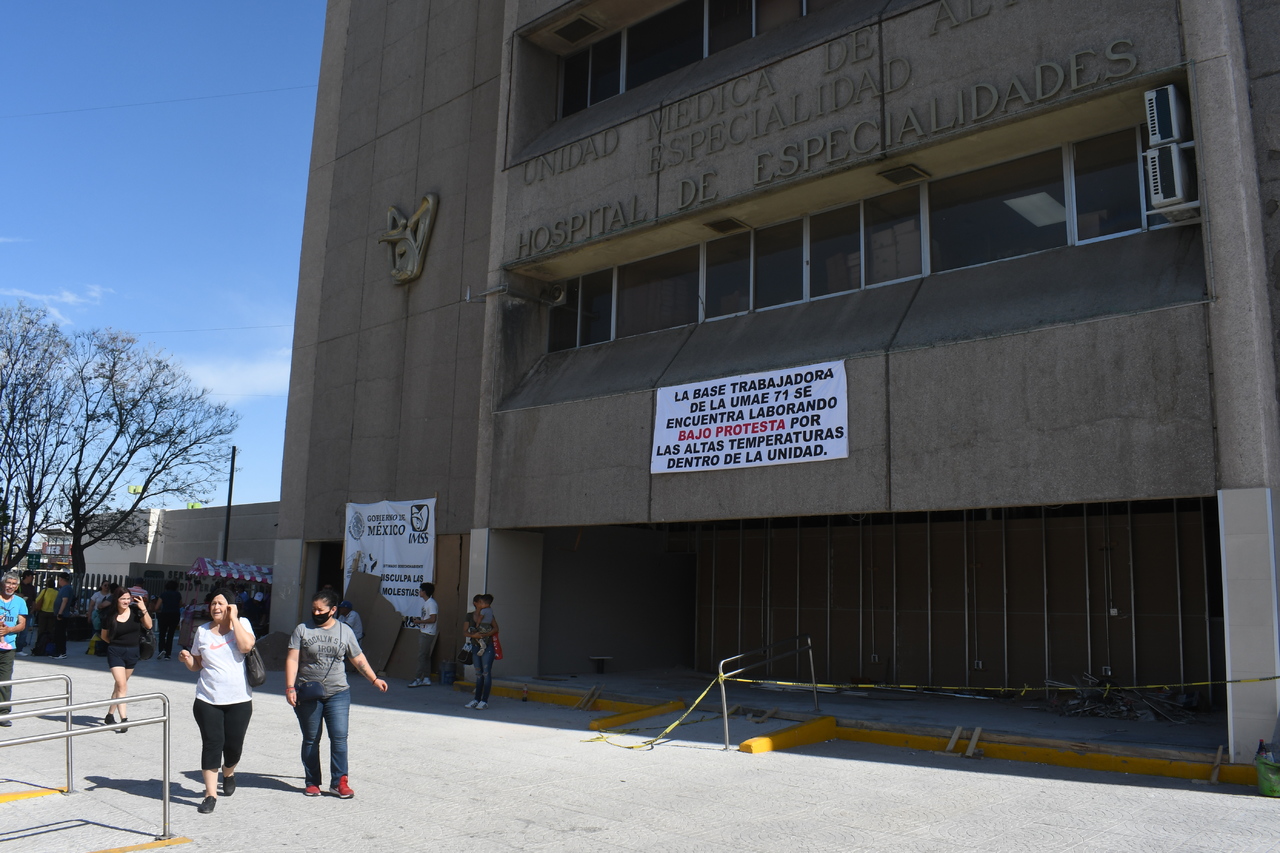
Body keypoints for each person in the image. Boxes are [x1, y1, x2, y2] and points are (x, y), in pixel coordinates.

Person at [285, 589, 387, 798]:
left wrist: (374, 679)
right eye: (313, 609)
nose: (316, 613)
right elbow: (293, 659)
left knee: (339, 737)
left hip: (338, 692)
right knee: (311, 738)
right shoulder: (302, 630)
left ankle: (339, 782)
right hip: (308, 693)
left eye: (320, 610)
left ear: (332, 610)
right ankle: (312, 781)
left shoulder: (345, 631)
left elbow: (357, 658)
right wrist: (290, 687)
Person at [178, 588, 256, 815]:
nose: (216, 607)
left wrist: (234, 619)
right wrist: (187, 660)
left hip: (239, 700)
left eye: (221, 603)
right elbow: (197, 665)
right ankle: (210, 794)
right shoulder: (202, 631)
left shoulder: (243, 624)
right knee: (212, 744)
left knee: (234, 747)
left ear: (231, 606)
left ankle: (228, 772)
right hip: (207, 699)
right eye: (213, 603)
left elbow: (246, 647)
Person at [101, 588, 153, 732]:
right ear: (116, 600)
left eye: (128, 598)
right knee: (122, 685)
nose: (126, 601)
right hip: (115, 652)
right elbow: (104, 636)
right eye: (122, 598)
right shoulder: (109, 615)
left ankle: (109, 715)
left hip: (132, 653)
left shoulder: (136, 612)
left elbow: (149, 625)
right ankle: (124, 719)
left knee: (119, 686)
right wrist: (116, 645)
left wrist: (143, 608)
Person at [0, 572, 29, 726]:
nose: (10, 586)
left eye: (13, 584)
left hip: (8, 647)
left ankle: (3, 713)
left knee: (5, 681)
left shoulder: (20, 602)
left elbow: (22, 625)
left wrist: (8, 630)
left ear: (17, 586)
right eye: (8, 583)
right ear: (3, 583)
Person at [464, 593, 498, 710]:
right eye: (480, 602)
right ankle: (476, 699)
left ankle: (484, 700)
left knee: (486, 673)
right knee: (478, 673)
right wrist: (474, 636)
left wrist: (485, 634)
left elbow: (496, 628)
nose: (483, 604)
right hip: (475, 646)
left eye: (484, 602)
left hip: (487, 646)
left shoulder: (488, 613)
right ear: (476, 603)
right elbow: (465, 632)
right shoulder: (469, 616)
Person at [408, 582, 437, 688]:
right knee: (425, 656)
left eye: (420, 590)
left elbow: (433, 619)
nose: (419, 592)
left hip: (427, 633)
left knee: (421, 656)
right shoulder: (427, 603)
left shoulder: (431, 603)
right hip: (424, 631)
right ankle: (426, 678)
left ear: (424, 591)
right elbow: (428, 618)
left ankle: (417, 678)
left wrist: (419, 622)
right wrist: (419, 620)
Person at [157, 580, 183, 660]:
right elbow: (180, 605)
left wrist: (159, 611)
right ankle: (168, 654)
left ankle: (161, 649)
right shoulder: (178, 594)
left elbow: (157, 607)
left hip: (164, 615)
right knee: (170, 634)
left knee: (162, 633)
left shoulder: (163, 594)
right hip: (175, 615)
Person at [52, 573, 75, 658]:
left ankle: (61, 652)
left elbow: (65, 601)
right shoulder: (65, 588)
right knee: (58, 633)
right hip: (61, 614)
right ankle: (58, 651)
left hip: (62, 615)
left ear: (61, 579)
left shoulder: (66, 588)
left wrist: (60, 613)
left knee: (60, 634)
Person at [32, 580, 57, 657]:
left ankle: (39, 644)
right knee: (50, 630)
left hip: (43, 612)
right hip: (52, 613)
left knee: (41, 629)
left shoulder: (44, 591)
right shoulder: (56, 592)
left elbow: (37, 600)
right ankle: (49, 645)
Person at [16, 570, 36, 655]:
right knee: (14, 630)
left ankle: (19, 649)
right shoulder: (18, 585)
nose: (32, 578)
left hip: (27, 611)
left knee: (24, 631)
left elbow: (34, 599)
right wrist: (18, 595)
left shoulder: (32, 587)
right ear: (27, 576)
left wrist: (33, 608)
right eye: (31, 576)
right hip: (17, 611)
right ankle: (12, 648)